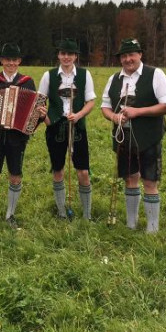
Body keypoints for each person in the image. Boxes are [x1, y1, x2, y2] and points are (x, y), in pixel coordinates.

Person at [100, 39, 166, 232]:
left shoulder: (155, 74)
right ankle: (131, 223)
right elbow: (105, 107)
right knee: (129, 178)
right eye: (124, 56)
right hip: (123, 137)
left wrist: (138, 112)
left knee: (149, 181)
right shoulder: (114, 79)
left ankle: (152, 228)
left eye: (131, 54)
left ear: (140, 54)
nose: (128, 59)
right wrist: (114, 117)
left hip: (149, 136)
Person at [0, 43, 46, 227]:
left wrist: (40, 115)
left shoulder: (27, 82)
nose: (11, 63)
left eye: (14, 60)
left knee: (15, 177)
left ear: (19, 61)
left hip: (17, 138)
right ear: (2, 60)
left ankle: (10, 215)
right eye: (8, 59)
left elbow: (33, 114)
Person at [38, 38, 96, 219]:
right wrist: (46, 119)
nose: (66, 57)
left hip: (78, 128)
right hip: (55, 128)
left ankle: (87, 214)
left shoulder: (85, 75)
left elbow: (91, 101)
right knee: (58, 170)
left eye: (70, 54)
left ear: (75, 56)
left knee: (83, 171)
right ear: (58, 55)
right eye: (63, 53)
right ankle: (62, 212)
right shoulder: (48, 75)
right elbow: (40, 101)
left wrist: (79, 115)